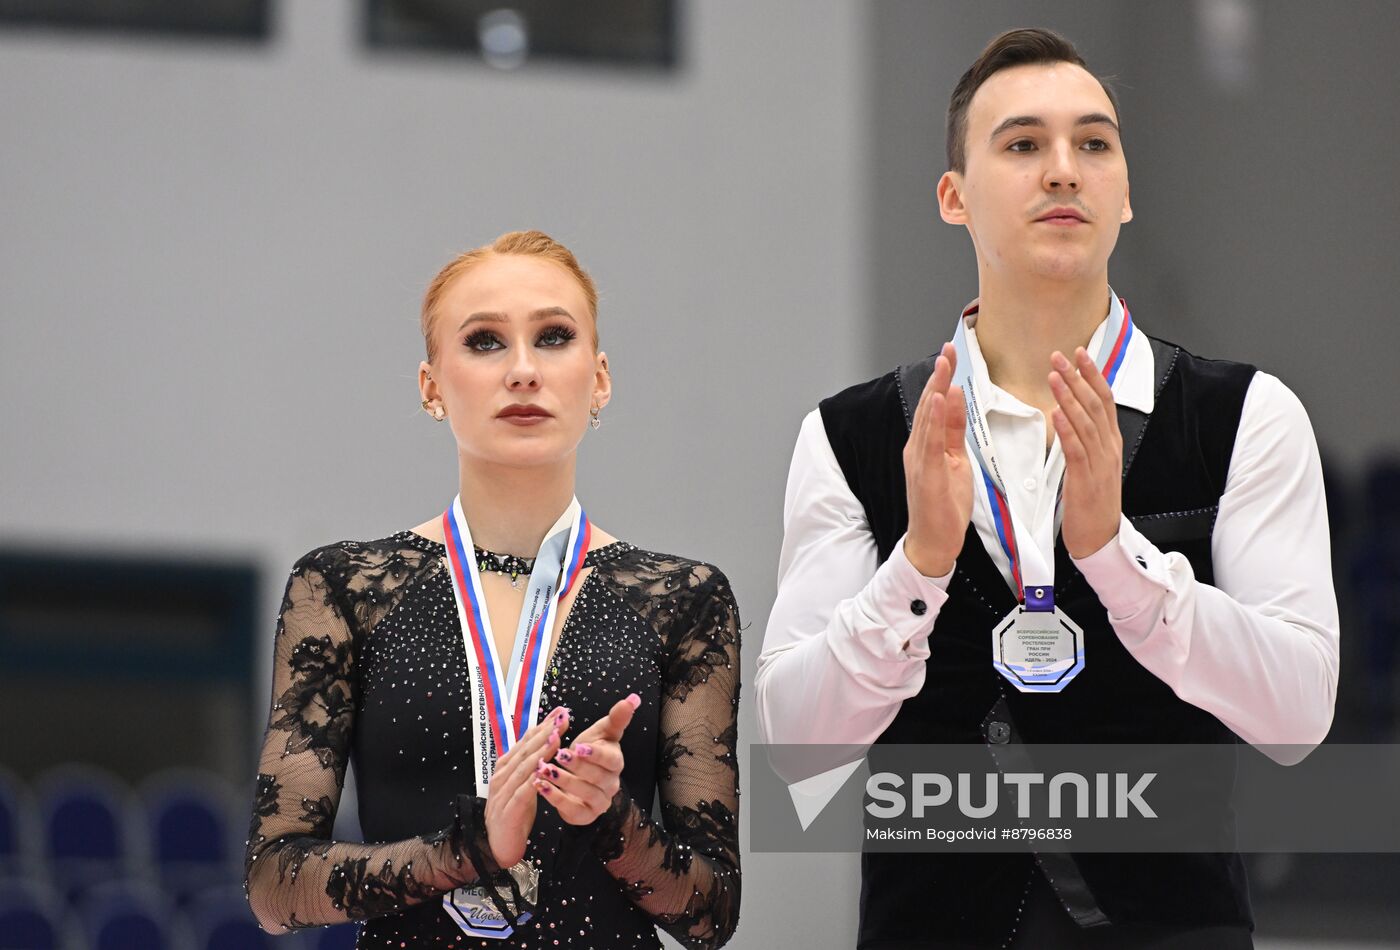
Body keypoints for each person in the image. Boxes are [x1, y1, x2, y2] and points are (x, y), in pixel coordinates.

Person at [755, 28, 1338, 949]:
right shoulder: (852, 435)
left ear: (1126, 194)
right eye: (1023, 144)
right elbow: (798, 743)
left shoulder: (1247, 417)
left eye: (1094, 144)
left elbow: (1299, 715)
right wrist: (919, 564)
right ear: (954, 198)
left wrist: (1119, 561)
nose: (1063, 169)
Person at [244, 230, 741, 948]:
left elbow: (712, 912)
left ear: (599, 379)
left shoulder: (682, 600)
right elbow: (274, 884)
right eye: (484, 341)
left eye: (553, 337)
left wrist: (612, 819)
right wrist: (469, 850)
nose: (522, 370)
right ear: (431, 386)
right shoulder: (343, 589)